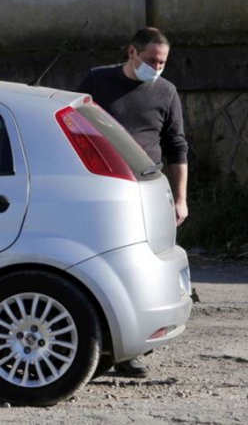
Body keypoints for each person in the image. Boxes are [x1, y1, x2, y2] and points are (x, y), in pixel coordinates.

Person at [78, 26, 188, 378]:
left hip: (146, 190)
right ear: (131, 53)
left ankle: (130, 352)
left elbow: (177, 148)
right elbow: (73, 127)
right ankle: (90, 350)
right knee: (93, 270)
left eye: (162, 62)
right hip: (100, 189)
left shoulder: (167, 93)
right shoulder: (97, 82)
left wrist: (180, 199)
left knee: (139, 270)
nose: (156, 67)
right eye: (151, 60)